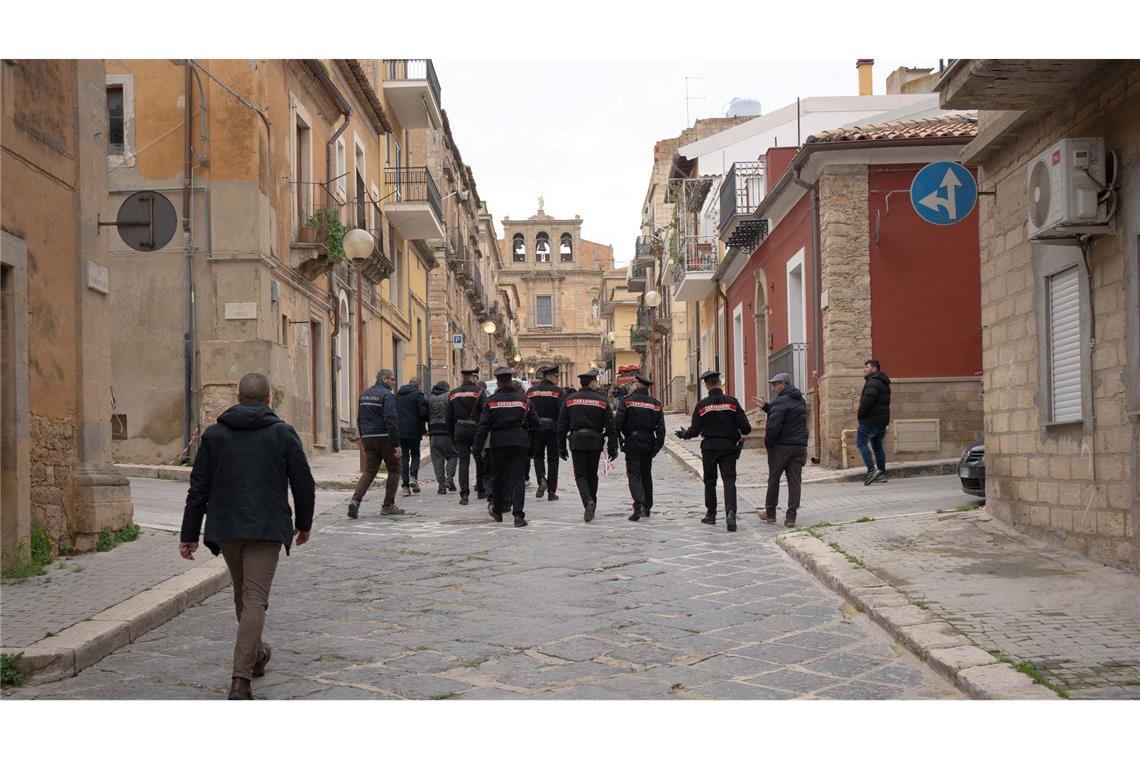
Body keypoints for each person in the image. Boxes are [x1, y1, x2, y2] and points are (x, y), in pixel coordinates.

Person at [180, 372, 315, 700]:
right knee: (254, 599)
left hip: (227, 526)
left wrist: (189, 533)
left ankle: (256, 656)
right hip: (266, 527)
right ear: (269, 399)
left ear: (238, 398)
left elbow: (198, 487)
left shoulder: (214, 435)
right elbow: (303, 483)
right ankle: (240, 680)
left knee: (244, 595)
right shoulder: (283, 433)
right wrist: (304, 523)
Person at [676, 370, 751, 532]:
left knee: (710, 481)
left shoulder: (702, 405)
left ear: (706, 385)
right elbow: (746, 428)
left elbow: (694, 431)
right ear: (720, 383)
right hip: (729, 447)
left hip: (709, 448)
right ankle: (731, 513)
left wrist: (683, 434)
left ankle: (711, 515)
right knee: (729, 480)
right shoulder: (732, 402)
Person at [473, 367, 539, 527]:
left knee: (497, 477)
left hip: (499, 443)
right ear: (510, 380)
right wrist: (532, 446)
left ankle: (498, 510)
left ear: (498, 382)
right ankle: (518, 515)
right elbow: (536, 424)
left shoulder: (491, 401)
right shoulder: (524, 401)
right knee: (517, 479)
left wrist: (477, 446)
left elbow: (483, 427)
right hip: (519, 442)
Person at [558, 368, 618, 523]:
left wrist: (561, 447)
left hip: (577, 440)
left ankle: (587, 501)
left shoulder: (570, 400)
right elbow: (611, 426)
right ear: (591, 382)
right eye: (596, 381)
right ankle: (593, 502)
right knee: (592, 475)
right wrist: (613, 446)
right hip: (595, 440)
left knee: (580, 475)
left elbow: (562, 425)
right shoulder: (602, 401)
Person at [756, 372, 809, 527]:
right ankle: (791, 516)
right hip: (799, 446)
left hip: (781, 447)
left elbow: (774, 425)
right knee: (795, 481)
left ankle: (770, 513)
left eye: (775, 384)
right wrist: (766, 406)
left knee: (774, 480)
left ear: (784, 384)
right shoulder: (800, 400)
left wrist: (768, 444)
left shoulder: (780, 401)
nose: (773, 388)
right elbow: (787, 415)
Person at [348, 369, 403, 518]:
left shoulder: (364, 394)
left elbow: (360, 418)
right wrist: (396, 444)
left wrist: (363, 437)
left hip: (368, 438)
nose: (393, 382)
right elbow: (391, 419)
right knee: (395, 469)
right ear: (384, 379)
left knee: (369, 471)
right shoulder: (387, 395)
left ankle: (355, 501)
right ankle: (388, 505)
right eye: (392, 379)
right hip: (385, 438)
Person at [613, 371, 666, 522]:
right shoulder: (655, 404)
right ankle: (648, 506)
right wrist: (655, 448)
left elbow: (617, 423)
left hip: (632, 442)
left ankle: (639, 504)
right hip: (648, 443)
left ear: (636, 385)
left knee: (634, 475)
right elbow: (661, 431)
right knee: (646, 474)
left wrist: (620, 441)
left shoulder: (627, 401)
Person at [446, 368, 486, 505]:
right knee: (480, 460)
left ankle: (464, 495)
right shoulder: (480, 393)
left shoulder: (453, 394)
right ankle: (481, 490)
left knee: (463, 463)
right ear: (473, 378)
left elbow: (449, 418)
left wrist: (452, 436)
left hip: (460, 431)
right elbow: (485, 415)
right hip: (476, 431)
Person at [526, 365, 565, 501]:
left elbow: (527, 411)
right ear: (550, 376)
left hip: (536, 428)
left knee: (538, 456)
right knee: (553, 460)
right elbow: (562, 413)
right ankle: (552, 492)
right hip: (553, 428)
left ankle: (541, 478)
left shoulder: (530, 392)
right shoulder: (558, 392)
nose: (557, 380)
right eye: (556, 377)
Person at [856, 358, 892, 486]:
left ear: (874, 368)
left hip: (869, 420)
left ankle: (872, 471)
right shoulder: (884, 382)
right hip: (881, 421)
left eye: (867, 367)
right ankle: (881, 474)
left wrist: (860, 415)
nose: (864, 369)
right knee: (878, 447)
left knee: (861, 443)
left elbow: (868, 401)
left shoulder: (872, 382)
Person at [395, 377, 429, 497]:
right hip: (414, 431)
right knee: (415, 454)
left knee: (404, 457)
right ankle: (413, 476)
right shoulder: (418, 395)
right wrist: (424, 429)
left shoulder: (397, 395)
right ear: (417, 385)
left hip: (400, 431)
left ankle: (405, 486)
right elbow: (422, 413)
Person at [427, 380, 458, 494]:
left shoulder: (429, 398)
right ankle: (449, 478)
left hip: (434, 433)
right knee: (453, 455)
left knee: (437, 459)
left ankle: (441, 485)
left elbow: (426, 414)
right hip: (447, 432)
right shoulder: (449, 396)